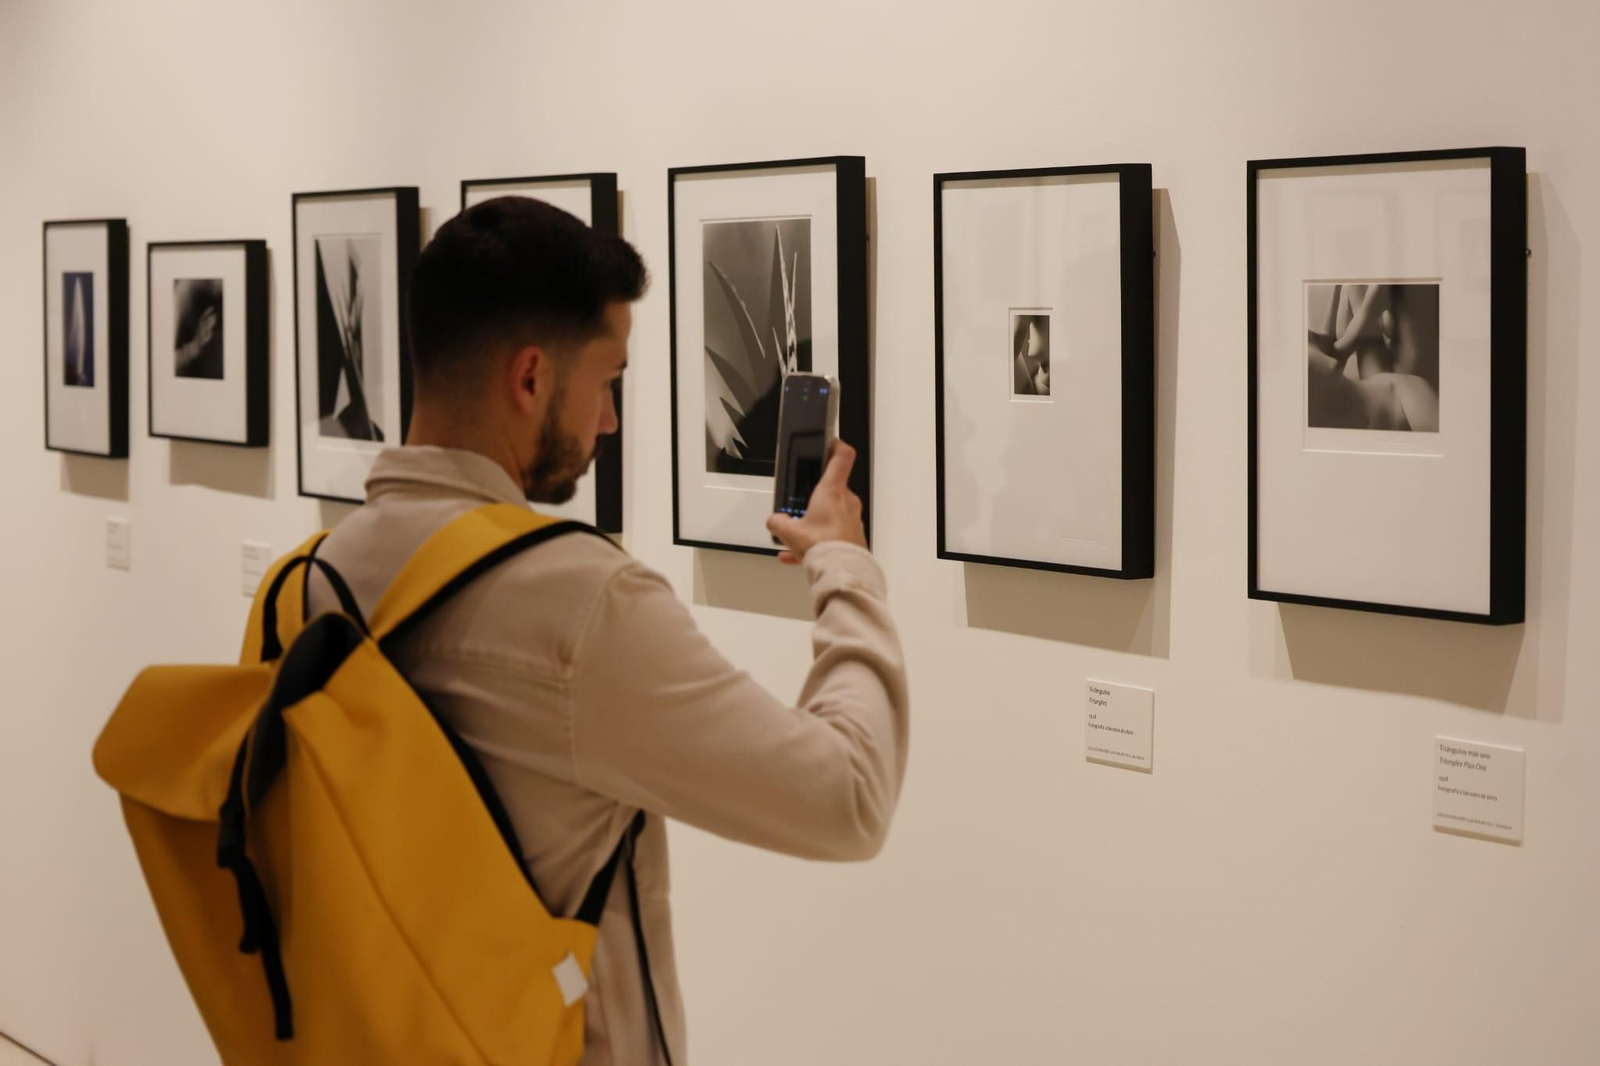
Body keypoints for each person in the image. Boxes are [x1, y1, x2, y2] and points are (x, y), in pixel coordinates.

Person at [306, 196, 909, 1065]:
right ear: (531, 379)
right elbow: (848, 799)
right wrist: (845, 567)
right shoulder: (577, 604)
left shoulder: (322, 575)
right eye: (609, 382)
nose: (612, 421)